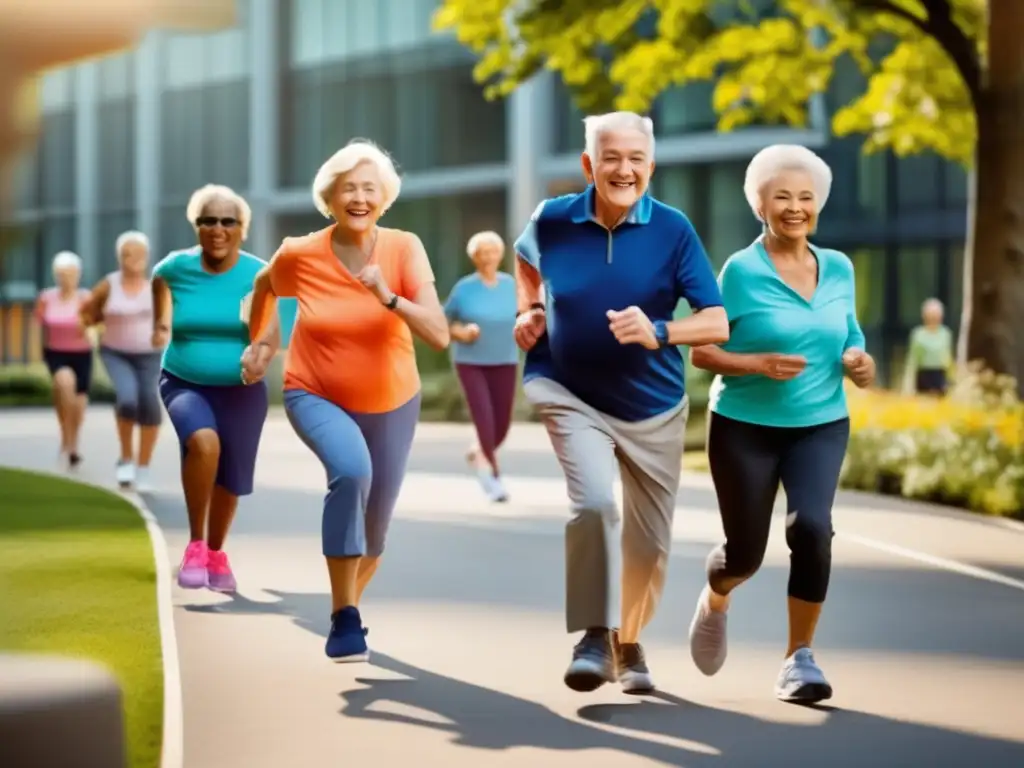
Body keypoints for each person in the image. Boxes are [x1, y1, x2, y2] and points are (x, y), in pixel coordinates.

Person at [513, 111, 729, 694]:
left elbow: (716, 322)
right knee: (592, 506)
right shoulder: (553, 219)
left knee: (649, 548)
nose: (624, 169)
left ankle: (626, 641)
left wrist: (659, 330)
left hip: (654, 406)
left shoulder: (674, 230)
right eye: (611, 157)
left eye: (636, 159)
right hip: (566, 388)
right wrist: (528, 310)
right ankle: (591, 633)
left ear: (651, 168)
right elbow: (526, 260)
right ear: (589, 165)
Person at [686, 144, 876, 704]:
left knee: (812, 529)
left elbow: (851, 332)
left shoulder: (838, 266)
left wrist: (859, 361)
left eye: (805, 197)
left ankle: (799, 658)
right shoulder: (741, 271)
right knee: (744, 553)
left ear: (818, 206)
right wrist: (756, 364)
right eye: (782, 197)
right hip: (744, 424)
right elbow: (702, 351)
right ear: (761, 206)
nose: (795, 207)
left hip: (820, 423)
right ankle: (717, 596)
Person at [247, 139, 449, 663]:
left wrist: (388, 295)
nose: (359, 198)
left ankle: (345, 603)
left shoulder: (404, 248)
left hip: (393, 399)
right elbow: (264, 286)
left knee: (374, 531)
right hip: (314, 391)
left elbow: (439, 334)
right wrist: (263, 344)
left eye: (369, 189)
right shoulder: (300, 252)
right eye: (348, 189)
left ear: (384, 199)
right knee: (351, 473)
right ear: (330, 198)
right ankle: (345, 617)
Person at [151, 183, 279, 593]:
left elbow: (281, 322)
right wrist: (160, 322)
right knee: (204, 444)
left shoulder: (262, 274)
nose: (217, 229)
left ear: (243, 227)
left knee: (230, 476)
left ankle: (216, 552)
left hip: (242, 389)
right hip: (183, 381)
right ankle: (194, 544)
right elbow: (158, 280)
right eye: (208, 220)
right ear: (196, 226)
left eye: (228, 221)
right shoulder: (175, 268)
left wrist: (264, 354)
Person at [81, 230, 163, 491]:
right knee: (127, 398)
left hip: (149, 355)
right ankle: (126, 459)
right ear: (120, 257)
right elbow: (86, 312)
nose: (134, 258)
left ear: (147, 256)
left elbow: (168, 317)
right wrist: (90, 329)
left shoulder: (155, 287)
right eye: (128, 253)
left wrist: (163, 331)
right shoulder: (109, 284)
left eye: (139, 253)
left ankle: (144, 467)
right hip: (115, 353)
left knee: (150, 403)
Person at [444, 230, 519, 502]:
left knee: (502, 425)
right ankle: (492, 477)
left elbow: (528, 314)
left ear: (500, 255)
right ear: (474, 257)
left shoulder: (511, 284)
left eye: (492, 252)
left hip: (505, 359)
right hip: (471, 362)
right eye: (482, 253)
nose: (487, 257)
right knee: (484, 421)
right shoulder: (464, 289)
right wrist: (461, 332)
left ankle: (479, 452)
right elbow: (442, 321)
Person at [34, 251, 93, 470]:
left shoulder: (85, 298)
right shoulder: (46, 297)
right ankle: (66, 439)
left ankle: (72, 444)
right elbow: (38, 327)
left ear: (78, 274)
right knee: (64, 383)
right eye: (61, 274)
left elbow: (97, 324)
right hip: (56, 353)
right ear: (55, 275)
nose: (66, 279)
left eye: (70, 274)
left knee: (78, 404)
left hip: (82, 354)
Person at [903, 298, 954, 395]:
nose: (933, 318)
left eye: (936, 314)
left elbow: (948, 358)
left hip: (940, 375)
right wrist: (908, 386)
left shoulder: (945, 334)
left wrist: (951, 378)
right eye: (931, 314)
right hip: (924, 376)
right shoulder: (918, 334)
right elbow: (912, 360)